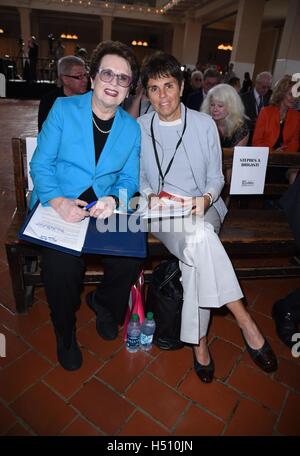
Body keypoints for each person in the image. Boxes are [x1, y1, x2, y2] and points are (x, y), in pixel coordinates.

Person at [138, 51, 277, 383]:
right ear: (146, 92)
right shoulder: (139, 128)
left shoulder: (202, 125)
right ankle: (244, 320)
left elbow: (217, 178)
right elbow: (139, 180)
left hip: (203, 209)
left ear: (182, 85)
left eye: (168, 86)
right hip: (163, 215)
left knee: (198, 243)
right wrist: (150, 196)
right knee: (200, 244)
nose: (162, 96)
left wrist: (205, 199)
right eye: (154, 89)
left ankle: (200, 342)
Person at [30, 40, 142, 371]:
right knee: (62, 269)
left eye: (123, 78)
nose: (114, 83)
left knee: (129, 255)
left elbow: (130, 181)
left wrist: (113, 199)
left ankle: (105, 305)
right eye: (108, 73)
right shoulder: (64, 110)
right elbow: (41, 165)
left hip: (103, 207)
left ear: (129, 88)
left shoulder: (131, 129)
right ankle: (64, 333)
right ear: (93, 77)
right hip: (60, 200)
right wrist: (58, 201)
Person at [252, 75, 300, 184]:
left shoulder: (297, 116)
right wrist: (273, 152)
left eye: (296, 95)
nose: (294, 98)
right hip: (265, 159)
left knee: (294, 175)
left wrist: (283, 155)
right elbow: (257, 141)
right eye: (290, 94)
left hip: (286, 161)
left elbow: (295, 143)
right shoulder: (266, 112)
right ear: (282, 94)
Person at [38, 55, 89, 131]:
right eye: (79, 76)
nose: (85, 80)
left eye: (85, 75)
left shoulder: (91, 99)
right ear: (65, 79)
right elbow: (45, 132)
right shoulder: (49, 101)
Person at [201, 83, 249, 148]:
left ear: (231, 107)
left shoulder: (241, 129)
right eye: (212, 104)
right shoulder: (203, 123)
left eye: (220, 106)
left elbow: (233, 155)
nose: (215, 109)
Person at [240, 71, 273, 143]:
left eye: (268, 87)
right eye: (264, 87)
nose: (266, 90)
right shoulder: (243, 98)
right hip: (247, 138)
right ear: (257, 83)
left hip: (261, 139)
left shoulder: (269, 99)